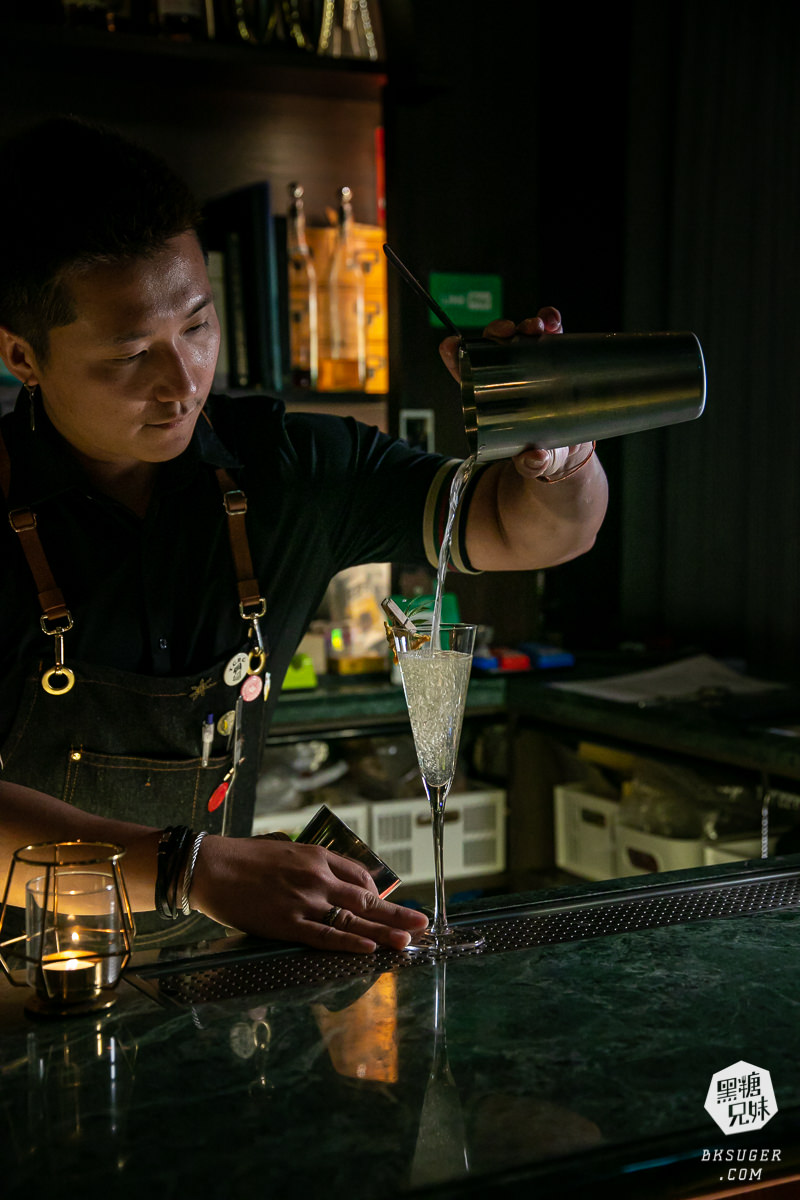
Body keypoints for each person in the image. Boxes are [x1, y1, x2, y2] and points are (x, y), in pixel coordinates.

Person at [0, 118, 608, 954]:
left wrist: (558, 453)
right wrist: (189, 869)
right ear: (22, 358)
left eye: (199, 325)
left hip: (202, 982)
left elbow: (522, 530)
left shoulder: (284, 468)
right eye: (131, 352)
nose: (183, 382)